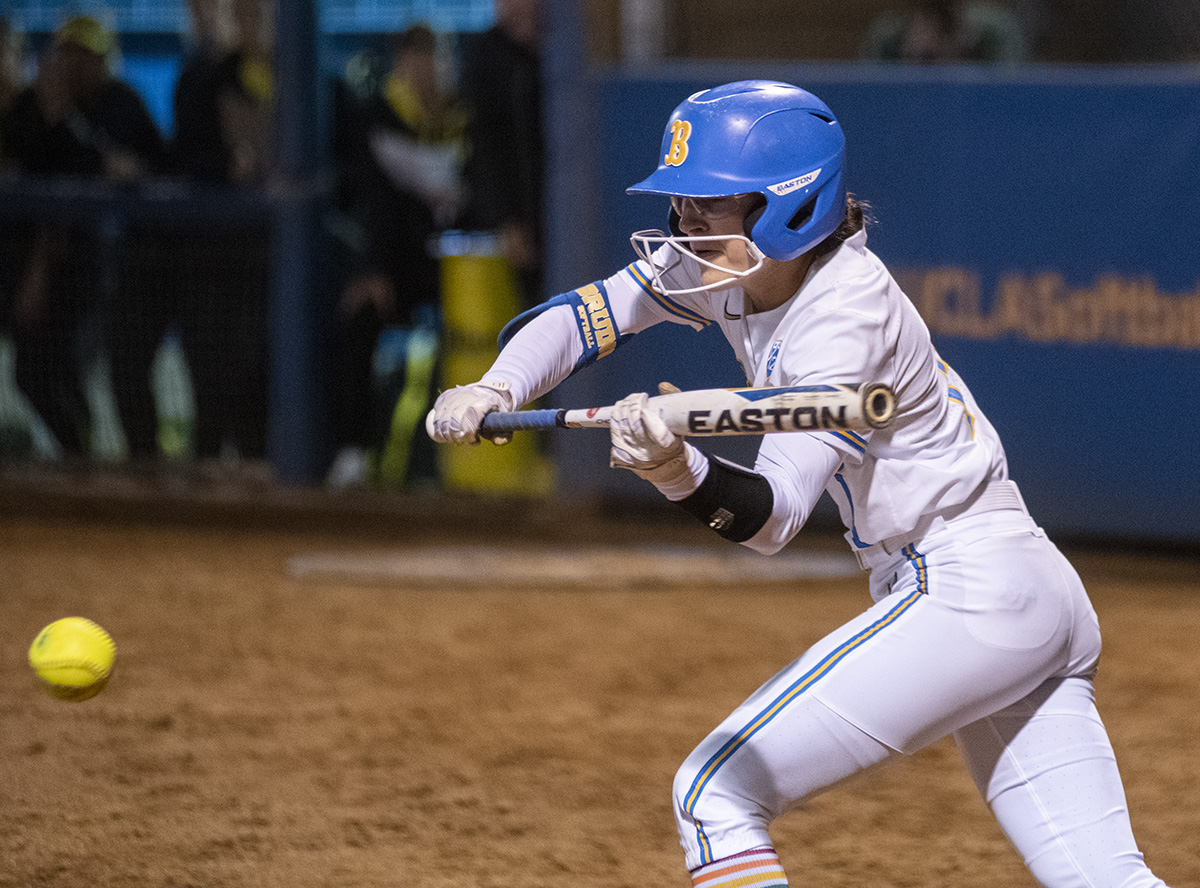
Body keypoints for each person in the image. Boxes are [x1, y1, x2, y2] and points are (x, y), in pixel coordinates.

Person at [426, 81, 1173, 888]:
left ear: (787, 206)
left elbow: (772, 519)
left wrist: (677, 469)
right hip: (1014, 587)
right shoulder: (734, 266)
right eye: (682, 203)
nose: (685, 223)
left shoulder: (843, 314)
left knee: (713, 793)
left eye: (708, 204)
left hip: (967, 589)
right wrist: (496, 389)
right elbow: (589, 314)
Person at [1, 14, 166, 458]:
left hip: (104, 266)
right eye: (67, 53)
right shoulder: (32, 106)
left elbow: (145, 167)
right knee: (34, 373)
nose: (74, 64)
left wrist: (67, 123)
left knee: (90, 370)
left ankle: (97, 464)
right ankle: (78, 458)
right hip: (35, 263)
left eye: (85, 55)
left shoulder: (121, 101)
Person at [325, 23, 466, 489]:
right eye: (414, 59)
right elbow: (368, 201)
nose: (425, 70)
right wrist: (372, 269)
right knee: (358, 318)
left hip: (465, 267)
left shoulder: (468, 118)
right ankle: (353, 452)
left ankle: (463, 456)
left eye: (433, 58)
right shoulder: (374, 116)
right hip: (399, 267)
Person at [459, 0, 544, 310]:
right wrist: (507, 221)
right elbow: (484, 148)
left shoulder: (562, 53)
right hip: (517, 222)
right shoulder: (485, 55)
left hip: (561, 215)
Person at [862, 0, 1027, 62]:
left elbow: (1011, 98)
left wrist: (963, 58)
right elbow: (868, 97)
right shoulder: (888, 35)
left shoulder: (995, 30)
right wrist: (912, 61)